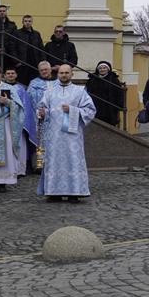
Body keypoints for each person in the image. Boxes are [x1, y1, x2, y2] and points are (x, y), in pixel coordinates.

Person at [38, 64, 97, 201]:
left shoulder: (80, 91)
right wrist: (42, 113)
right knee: (54, 161)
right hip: (54, 135)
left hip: (72, 136)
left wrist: (73, 110)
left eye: (66, 73)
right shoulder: (50, 90)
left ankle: (74, 192)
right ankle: (53, 192)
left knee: (73, 160)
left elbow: (90, 110)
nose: (63, 75)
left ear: (72, 74)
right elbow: (42, 108)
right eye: (61, 73)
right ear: (57, 74)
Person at [86, 61, 125, 127]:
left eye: (104, 68)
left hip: (109, 107)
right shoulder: (92, 79)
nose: (102, 69)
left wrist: (119, 105)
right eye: (100, 68)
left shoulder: (113, 80)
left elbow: (119, 93)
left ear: (108, 69)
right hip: (96, 106)